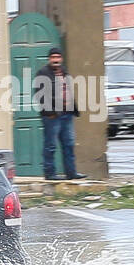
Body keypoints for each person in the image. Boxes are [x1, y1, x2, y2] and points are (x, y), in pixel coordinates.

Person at [32, 47, 86, 180]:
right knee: (50, 145)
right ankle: (50, 173)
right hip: (52, 116)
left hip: (67, 114)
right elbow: (39, 95)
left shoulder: (64, 72)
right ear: (49, 59)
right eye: (53, 57)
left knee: (69, 144)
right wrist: (49, 112)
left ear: (61, 59)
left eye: (58, 57)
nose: (55, 60)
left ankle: (71, 172)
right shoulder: (43, 73)